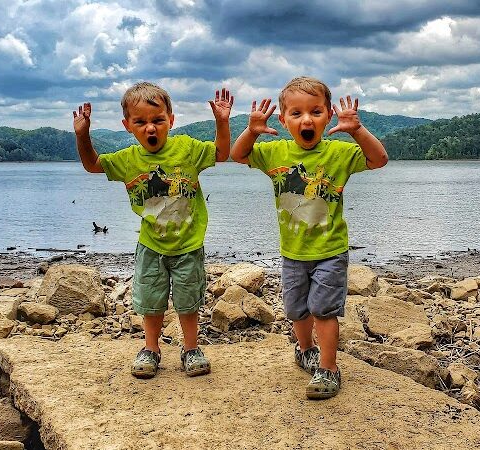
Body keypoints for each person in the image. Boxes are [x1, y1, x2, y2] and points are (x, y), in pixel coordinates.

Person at [230, 76, 388, 399]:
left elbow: (379, 159)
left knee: (323, 310)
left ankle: (329, 368)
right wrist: (251, 131)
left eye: (315, 112)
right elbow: (238, 155)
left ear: (328, 116)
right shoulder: (275, 152)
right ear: (283, 119)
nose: (306, 120)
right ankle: (305, 351)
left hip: (330, 251)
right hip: (292, 252)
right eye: (297, 113)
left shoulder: (339, 153)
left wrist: (357, 130)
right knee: (297, 309)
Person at [73, 82, 233, 378]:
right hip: (151, 245)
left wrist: (222, 122)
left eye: (158, 120)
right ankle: (151, 348)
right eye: (140, 122)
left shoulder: (187, 149)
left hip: (188, 244)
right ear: (127, 126)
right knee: (151, 300)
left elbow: (222, 153)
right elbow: (92, 164)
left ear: (170, 120)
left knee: (188, 302)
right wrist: (82, 135)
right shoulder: (128, 160)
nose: (150, 128)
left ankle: (191, 348)